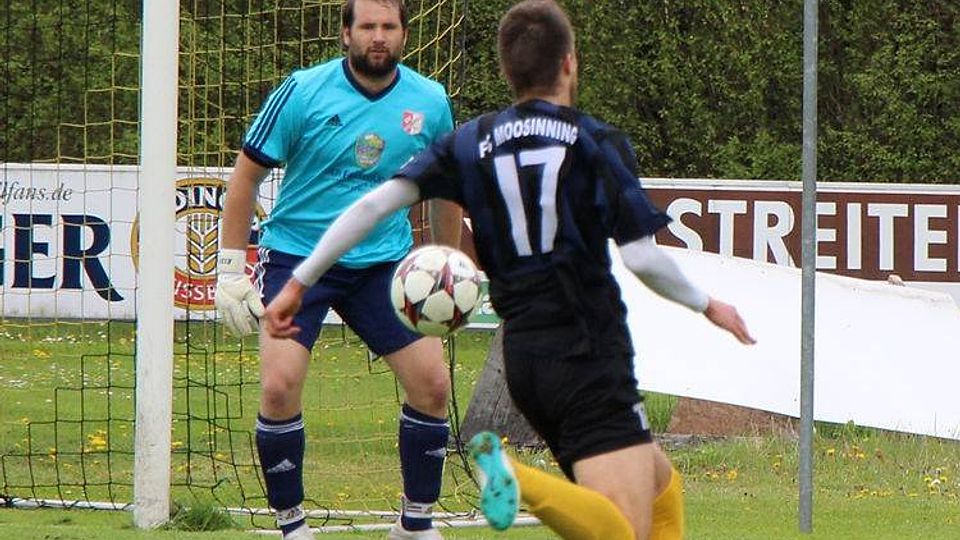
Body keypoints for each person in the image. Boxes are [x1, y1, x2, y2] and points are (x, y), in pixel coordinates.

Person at [261, 1, 756, 538]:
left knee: (662, 487)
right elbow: (640, 256)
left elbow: (371, 207)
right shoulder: (597, 143)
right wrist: (708, 304)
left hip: (523, 357)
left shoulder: (470, 142)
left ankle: (506, 485)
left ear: (506, 70)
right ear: (569, 62)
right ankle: (518, 481)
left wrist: (298, 281)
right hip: (588, 350)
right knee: (622, 530)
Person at [214, 1, 463, 539]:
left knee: (433, 385)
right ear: (346, 33)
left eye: (389, 27)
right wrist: (230, 268)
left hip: (383, 266)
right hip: (298, 258)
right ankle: (292, 527)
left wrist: (446, 261)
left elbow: (446, 189)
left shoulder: (430, 101)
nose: (378, 36)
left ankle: (415, 525)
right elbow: (244, 180)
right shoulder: (302, 91)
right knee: (279, 388)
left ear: (403, 35)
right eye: (368, 26)